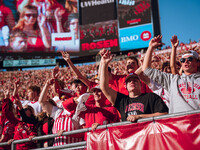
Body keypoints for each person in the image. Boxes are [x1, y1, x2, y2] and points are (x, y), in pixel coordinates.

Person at [99, 50, 168, 122]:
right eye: (128, 63)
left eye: (133, 63)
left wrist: (139, 117)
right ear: (125, 85)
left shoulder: (148, 93)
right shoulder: (120, 81)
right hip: (123, 115)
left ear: (140, 84)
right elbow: (103, 84)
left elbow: (163, 114)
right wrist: (103, 63)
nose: (132, 82)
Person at [142, 35, 200, 114]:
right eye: (183, 60)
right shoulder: (172, 80)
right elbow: (146, 69)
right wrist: (151, 48)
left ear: (198, 62)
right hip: (177, 124)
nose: (186, 62)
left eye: (189, 59)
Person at [38, 79, 84, 146]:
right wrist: (47, 85)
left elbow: (84, 132)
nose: (62, 99)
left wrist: (67, 133)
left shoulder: (78, 112)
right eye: (61, 97)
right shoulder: (58, 112)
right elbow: (42, 101)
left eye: (65, 97)